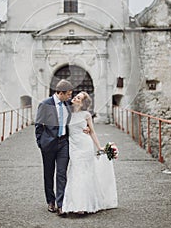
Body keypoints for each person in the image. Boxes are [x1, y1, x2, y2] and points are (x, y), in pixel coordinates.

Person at [62, 91, 118, 215]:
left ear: (82, 103)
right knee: (75, 171)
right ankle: (74, 203)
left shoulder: (86, 114)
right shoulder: (68, 111)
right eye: (76, 96)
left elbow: (92, 131)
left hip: (85, 145)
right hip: (73, 146)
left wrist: (99, 147)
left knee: (85, 173)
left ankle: (82, 205)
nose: (75, 98)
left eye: (79, 98)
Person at [35, 79, 73, 216]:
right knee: (49, 173)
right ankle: (50, 201)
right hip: (48, 144)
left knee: (62, 173)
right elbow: (38, 125)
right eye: (68, 94)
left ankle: (61, 204)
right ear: (61, 93)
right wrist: (41, 143)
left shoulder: (68, 104)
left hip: (63, 143)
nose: (70, 97)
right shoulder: (45, 104)